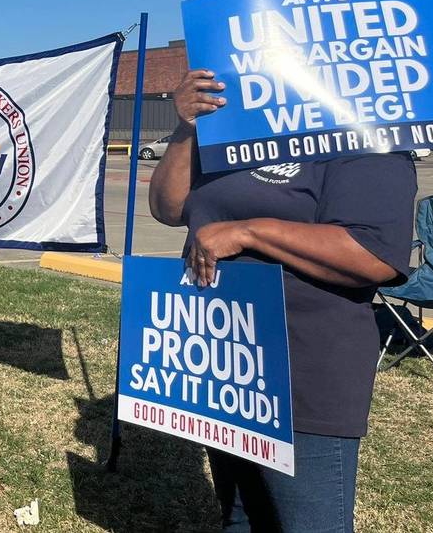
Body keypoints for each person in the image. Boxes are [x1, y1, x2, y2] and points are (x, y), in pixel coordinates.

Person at [149, 68, 417, 532]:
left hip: (303, 369)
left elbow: (375, 254)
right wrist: (186, 129)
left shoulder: (364, 131)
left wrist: (250, 232)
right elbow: (169, 209)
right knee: (239, 516)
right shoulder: (236, 126)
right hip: (222, 358)